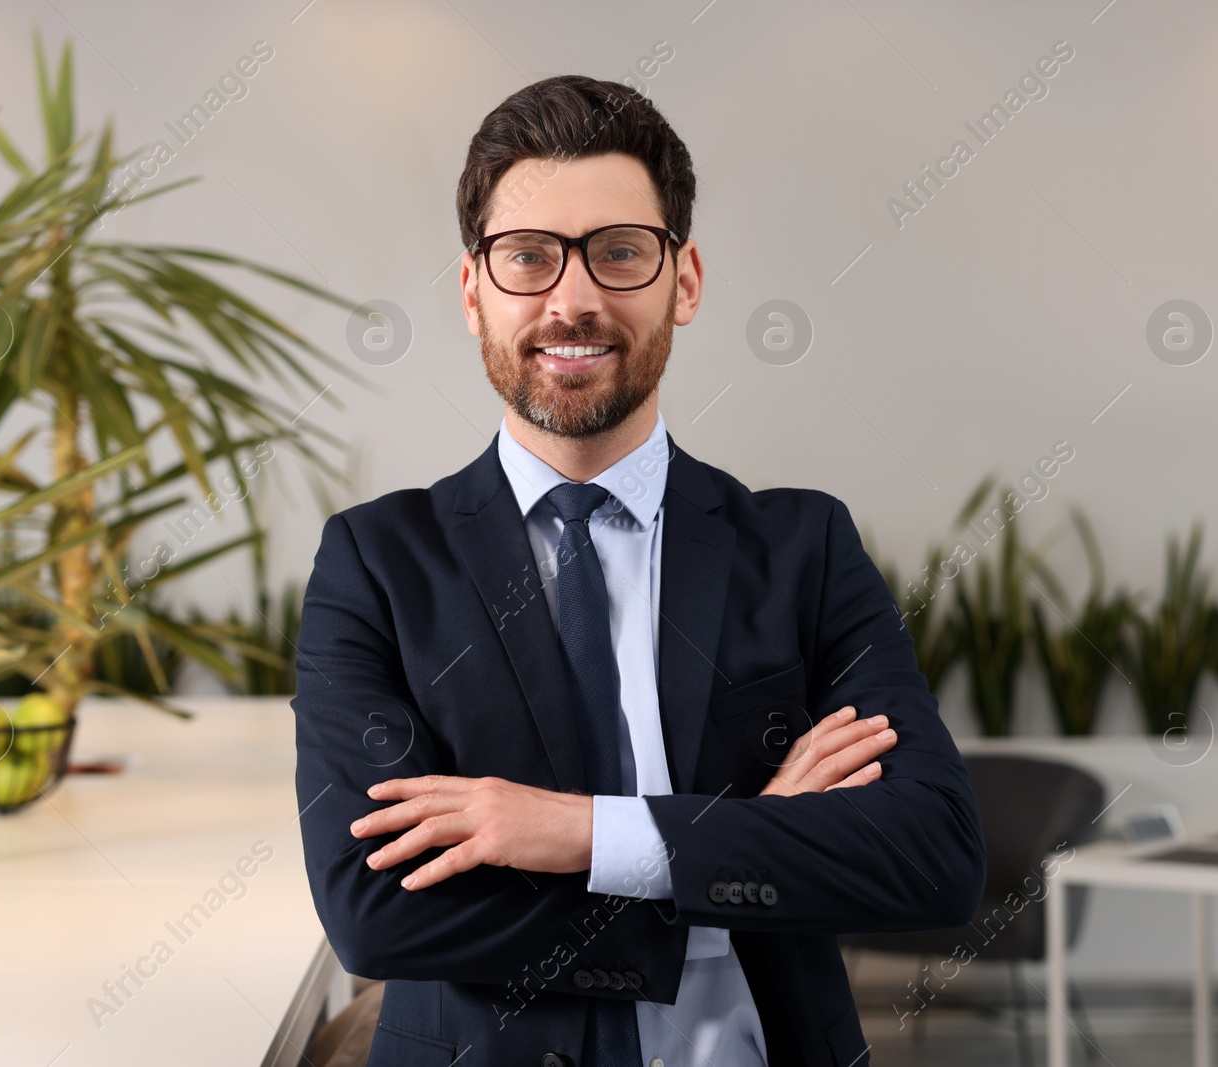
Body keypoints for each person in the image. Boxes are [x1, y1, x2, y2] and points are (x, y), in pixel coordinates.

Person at [293, 73, 986, 1067]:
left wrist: (580, 831)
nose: (573, 300)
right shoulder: (377, 562)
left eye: (619, 252)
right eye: (527, 257)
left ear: (684, 280)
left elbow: (933, 855)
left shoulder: (802, 549)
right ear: (473, 291)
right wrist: (741, 844)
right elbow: (375, 915)